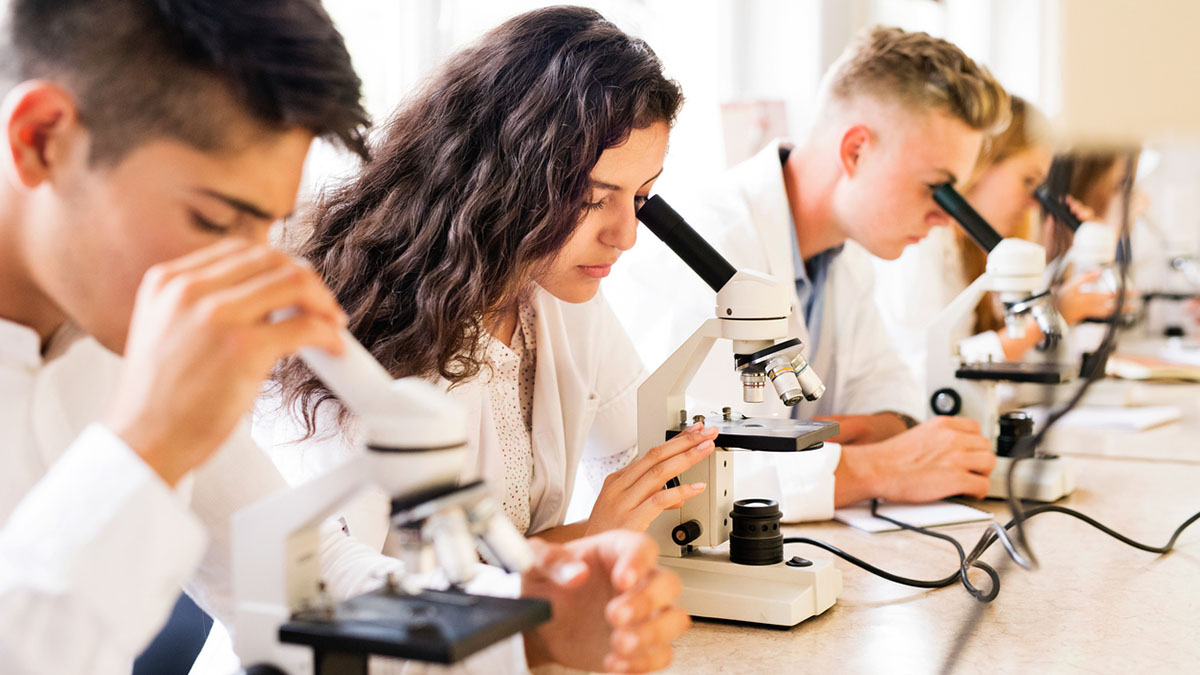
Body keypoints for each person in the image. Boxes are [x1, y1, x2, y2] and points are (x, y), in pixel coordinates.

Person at [0, 2, 685, 674]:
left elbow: (302, 575)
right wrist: (148, 443)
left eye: (265, 227)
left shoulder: (114, 331)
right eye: (213, 220)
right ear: (42, 138)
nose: (246, 271)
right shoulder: (147, 354)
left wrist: (535, 620)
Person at [266, 5, 718, 550]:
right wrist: (588, 541)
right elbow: (342, 594)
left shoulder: (556, 295)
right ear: (502, 179)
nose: (626, 236)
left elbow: (642, 470)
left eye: (641, 197)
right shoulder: (361, 326)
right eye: (592, 200)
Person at [607, 26, 1006, 520]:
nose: (946, 218)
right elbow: (688, 471)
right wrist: (876, 470)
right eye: (936, 189)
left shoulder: (846, 253)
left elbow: (892, 405)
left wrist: (828, 447)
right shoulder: (704, 245)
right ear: (856, 151)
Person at [873, 96, 1119, 386]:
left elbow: (1023, 360)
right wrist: (1051, 316)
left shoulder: (982, 249)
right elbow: (926, 372)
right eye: (1029, 181)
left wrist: (1067, 255)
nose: (1033, 203)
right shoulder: (922, 246)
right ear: (982, 165)